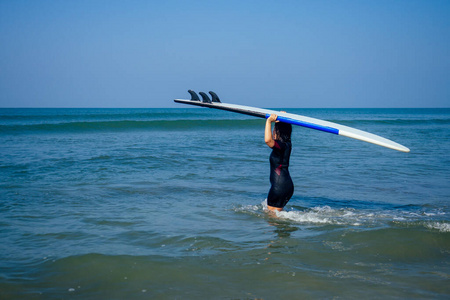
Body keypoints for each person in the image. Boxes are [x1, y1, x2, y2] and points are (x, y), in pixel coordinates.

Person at [265, 114, 294, 212]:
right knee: (277, 217)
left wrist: (268, 121)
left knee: (271, 218)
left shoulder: (281, 146)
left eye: (275, 129)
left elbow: (268, 140)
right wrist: (281, 116)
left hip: (279, 186)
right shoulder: (287, 144)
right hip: (286, 186)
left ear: (280, 132)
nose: (273, 132)